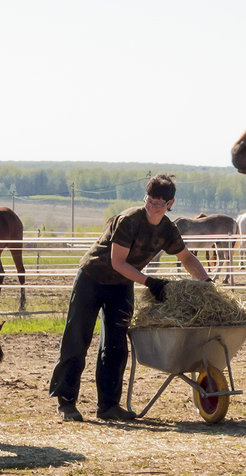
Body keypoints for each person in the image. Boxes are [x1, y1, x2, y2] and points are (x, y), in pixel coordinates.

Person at [48, 173, 212, 422]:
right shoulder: (129, 220)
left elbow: (186, 257)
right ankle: (66, 402)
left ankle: (108, 406)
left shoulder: (167, 229)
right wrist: (150, 282)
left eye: (159, 203)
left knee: (116, 345)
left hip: (121, 283)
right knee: (77, 338)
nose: (153, 206)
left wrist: (207, 283)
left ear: (170, 203)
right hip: (93, 278)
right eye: (150, 200)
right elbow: (117, 262)